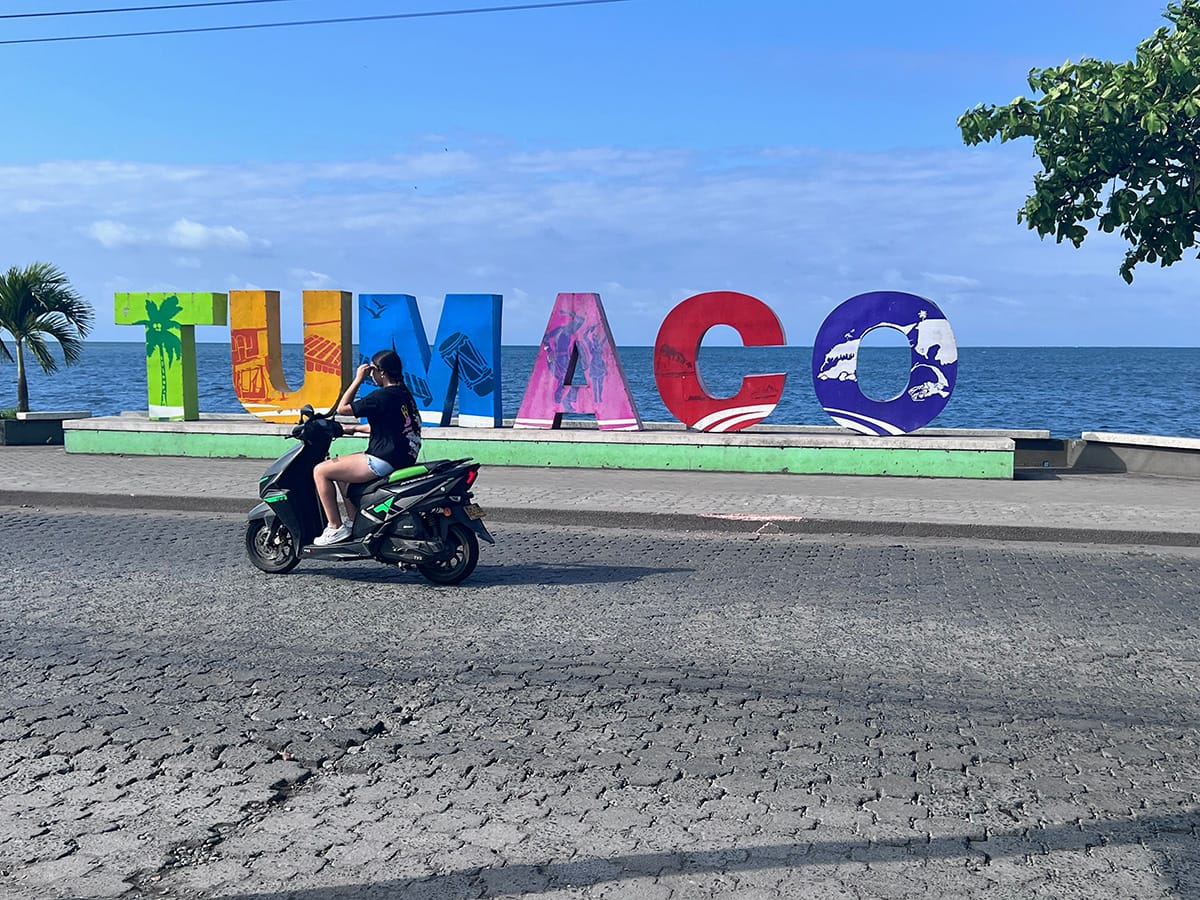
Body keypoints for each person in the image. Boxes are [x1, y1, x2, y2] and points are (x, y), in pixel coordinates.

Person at [312, 349, 422, 545]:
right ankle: (356, 523)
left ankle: (334, 527)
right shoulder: (404, 395)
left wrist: (358, 379)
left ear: (381, 372)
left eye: (372, 370)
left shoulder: (381, 397)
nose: (371, 374)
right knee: (342, 473)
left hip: (383, 459)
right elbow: (391, 426)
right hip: (402, 456)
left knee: (321, 470)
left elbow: (343, 408)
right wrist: (353, 429)